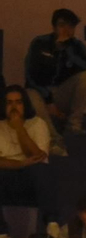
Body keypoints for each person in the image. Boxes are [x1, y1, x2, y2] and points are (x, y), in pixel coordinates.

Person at [25, 8, 86, 144]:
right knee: (29, 95)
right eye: (62, 25)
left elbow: (84, 66)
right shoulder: (39, 43)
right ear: (54, 26)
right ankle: (53, 138)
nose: (66, 30)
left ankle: (74, 124)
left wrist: (67, 49)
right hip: (41, 92)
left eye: (71, 26)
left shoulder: (77, 46)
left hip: (63, 92)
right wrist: (49, 101)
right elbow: (31, 76)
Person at [0, 85, 56, 226]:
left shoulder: (38, 124)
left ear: (25, 104)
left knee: (41, 170)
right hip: (6, 174)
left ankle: (51, 223)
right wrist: (21, 163)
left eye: (18, 102)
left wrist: (20, 128)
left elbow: (38, 156)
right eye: (9, 102)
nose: (14, 107)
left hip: (30, 176)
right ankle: (2, 232)